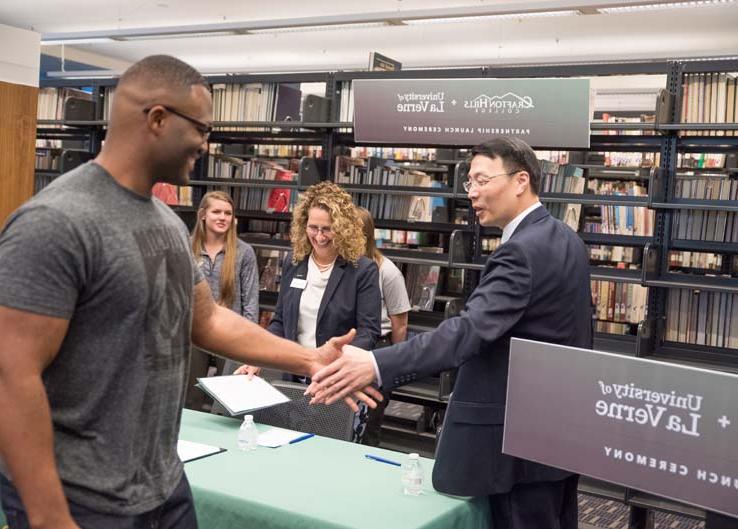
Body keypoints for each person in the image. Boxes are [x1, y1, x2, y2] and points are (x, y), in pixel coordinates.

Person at [0, 55, 378, 529]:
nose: (206, 141)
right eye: (200, 126)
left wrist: (309, 360)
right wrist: (47, 516)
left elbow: (208, 320)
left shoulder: (165, 223)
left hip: (161, 486)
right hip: (82, 498)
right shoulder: (57, 223)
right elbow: (10, 376)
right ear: (157, 118)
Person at [308, 137, 594, 529]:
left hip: (513, 446)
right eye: (469, 183)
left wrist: (376, 362)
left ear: (520, 180)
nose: (472, 193)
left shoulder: (520, 252)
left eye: (481, 179)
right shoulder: (567, 240)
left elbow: (466, 332)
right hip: (556, 434)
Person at [237, 181, 381, 381]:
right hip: (294, 373)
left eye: (327, 229)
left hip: (336, 376)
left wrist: (337, 362)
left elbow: (368, 332)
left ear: (343, 229)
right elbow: (280, 321)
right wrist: (260, 357)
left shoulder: (362, 270)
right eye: (313, 228)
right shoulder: (294, 262)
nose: (320, 237)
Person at [185, 190, 259, 411]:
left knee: (229, 403)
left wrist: (250, 347)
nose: (222, 217)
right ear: (203, 215)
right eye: (216, 211)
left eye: (228, 213)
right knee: (190, 401)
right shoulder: (186, 247)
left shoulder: (244, 252)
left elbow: (251, 303)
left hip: (231, 335)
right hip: (193, 334)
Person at [355, 207, 411, 446]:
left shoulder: (387, 271)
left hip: (377, 350)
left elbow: (400, 322)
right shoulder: (343, 266)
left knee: (369, 423)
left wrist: (394, 367)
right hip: (350, 348)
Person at [356, 207, 411, 347]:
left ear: (365, 237)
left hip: (377, 345)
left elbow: (400, 326)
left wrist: (395, 363)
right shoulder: (338, 267)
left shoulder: (388, 271)